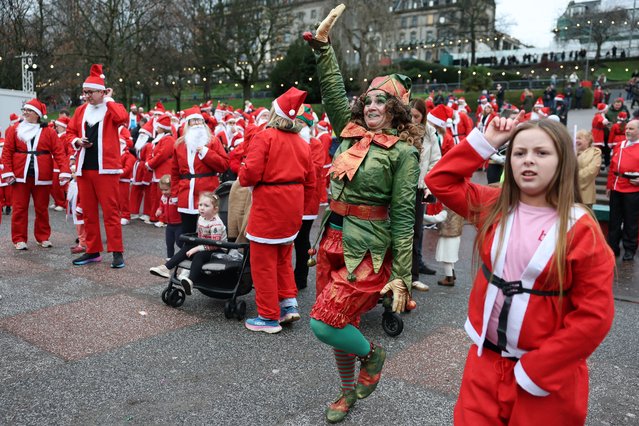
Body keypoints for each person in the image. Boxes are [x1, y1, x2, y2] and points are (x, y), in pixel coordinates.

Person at [427, 115, 614, 425]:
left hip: (545, 379)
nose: (529, 160)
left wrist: (536, 370)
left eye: (541, 153)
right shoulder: (494, 204)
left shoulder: (583, 230)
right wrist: (487, 141)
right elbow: (440, 180)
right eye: (519, 153)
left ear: (562, 161)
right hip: (484, 366)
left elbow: (594, 317)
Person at [303, 5, 420, 422]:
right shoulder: (348, 134)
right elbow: (333, 90)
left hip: (368, 246)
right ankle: (347, 393)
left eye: (381, 101)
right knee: (339, 326)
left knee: (324, 322)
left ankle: (374, 355)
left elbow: (405, 215)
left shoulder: (404, 153)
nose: (371, 105)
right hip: (330, 238)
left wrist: (403, 275)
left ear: (395, 111)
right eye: (368, 99)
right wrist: (322, 49)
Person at [238, 87, 315, 334]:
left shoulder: (265, 137)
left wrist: (242, 170)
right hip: (292, 205)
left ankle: (268, 316)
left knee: (263, 262)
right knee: (283, 258)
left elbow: (249, 174)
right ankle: (288, 304)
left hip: (269, 204)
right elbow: (311, 180)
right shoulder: (302, 142)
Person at [65, 64, 129, 267]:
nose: (86, 96)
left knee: (111, 212)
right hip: (85, 167)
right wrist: (77, 141)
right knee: (89, 212)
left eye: (90, 92)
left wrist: (109, 99)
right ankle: (92, 251)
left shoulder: (110, 108)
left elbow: (122, 118)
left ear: (102, 92)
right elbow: (69, 133)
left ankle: (117, 251)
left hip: (106, 169)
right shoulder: (81, 110)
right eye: (84, 92)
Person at [1, 99, 71, 250]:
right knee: (19, 208)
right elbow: (7, 152)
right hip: (20, 176)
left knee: (42, 208)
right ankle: (19, 238)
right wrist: (8, 171)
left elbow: (59, 152)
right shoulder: (14, 129)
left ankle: (43, 237)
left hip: (42, 176)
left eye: (29, 110)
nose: (25, 112)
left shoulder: (49, 132)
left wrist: (64, 170)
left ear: (37, 114)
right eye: (24, 109)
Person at [149, 192, 226, 294]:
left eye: (206, 206)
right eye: (200, 205)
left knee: (198, 255)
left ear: (215, 209)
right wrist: (194, 246)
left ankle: (191, 280)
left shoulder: (216, 224)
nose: (202, 208)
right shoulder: (202, 218)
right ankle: (166, 268)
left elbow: (215, 244)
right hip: (204, 245)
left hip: (218, 250)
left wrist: (196, 248)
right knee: (187, 246)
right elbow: (200, 236)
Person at [171, 106, 229, 234]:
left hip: (207, 191)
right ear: (188, 124)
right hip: (186, 193)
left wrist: (206, 152)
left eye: (199, 120)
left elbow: (224, 165)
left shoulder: (212, 141)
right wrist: (175, 194)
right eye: (194, 121)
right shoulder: (179, 145)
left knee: (208, 230)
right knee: (186, 232)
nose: (197, 123)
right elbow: (175, 172)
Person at [409, 98, 441, 287]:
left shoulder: (430, 134)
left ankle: (414, 274)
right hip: (401, 189)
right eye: (410, 116)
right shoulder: (399, 131)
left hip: (420, 188)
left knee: (417, 231)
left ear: (423, 117)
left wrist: (427, 182)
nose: (413, 120)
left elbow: (436, 160)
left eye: (417, 116)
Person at [607, 119, 639, 261]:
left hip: (632, 189)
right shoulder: (619, 145)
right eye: (627, 128)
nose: (627, 131)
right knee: (614, 220)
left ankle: (629, 249)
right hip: (616, 187)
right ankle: (612, 247)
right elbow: (612, 169)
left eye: (631, 129)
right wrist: (609, 185)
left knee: (630, 221)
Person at [155, 174, 182, 259]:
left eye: (166, 190)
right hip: (169, 224)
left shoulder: (176, 197)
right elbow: (161, 205)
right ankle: (170, 258)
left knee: (179, 242)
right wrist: (159, 210)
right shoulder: (163, 197)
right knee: (169, 243)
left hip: (179, 224)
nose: (163, 192)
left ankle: (185, 256)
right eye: (162, 190)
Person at [575, 130, 601, 209]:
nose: (576, 141)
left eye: (579, 138)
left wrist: (573, 178)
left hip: (586, 193)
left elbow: (592, 171)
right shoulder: (571, 151)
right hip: (569, 192)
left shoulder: (595, 152)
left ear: (588, 140)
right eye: (576, 138)